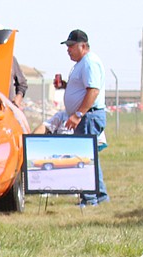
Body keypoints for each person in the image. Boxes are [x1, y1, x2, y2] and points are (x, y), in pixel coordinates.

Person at [60, 29, 109, 206]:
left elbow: (93, 90)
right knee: (90, 156)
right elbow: (83, 87)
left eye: (71, 46)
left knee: (84, 157)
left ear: (83, 46)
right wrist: (65, 86)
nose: (68, 50)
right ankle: (100, 195)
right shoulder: (82, 63)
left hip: (88, 116)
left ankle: (89, 199)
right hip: (86, 116)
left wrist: (78, 114)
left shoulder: (89, 62)